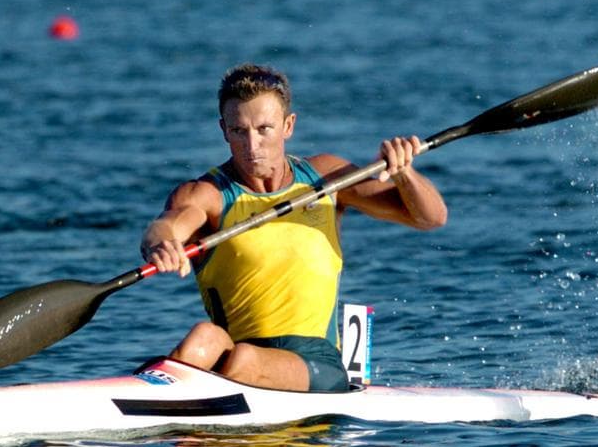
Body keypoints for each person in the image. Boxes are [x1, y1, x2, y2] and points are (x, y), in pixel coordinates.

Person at [139, 64, 448, 392]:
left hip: (317, 362)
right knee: (204, 338)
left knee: (244, 358)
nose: (252, 146)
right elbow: (167, 225)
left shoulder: (327, 178)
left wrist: (404, 173)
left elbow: (430, 217)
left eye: (264, 129)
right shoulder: (208, 194)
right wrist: (163, 244)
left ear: (288, 126)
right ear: (223, 130)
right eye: (239, 131)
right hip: (237, 354)